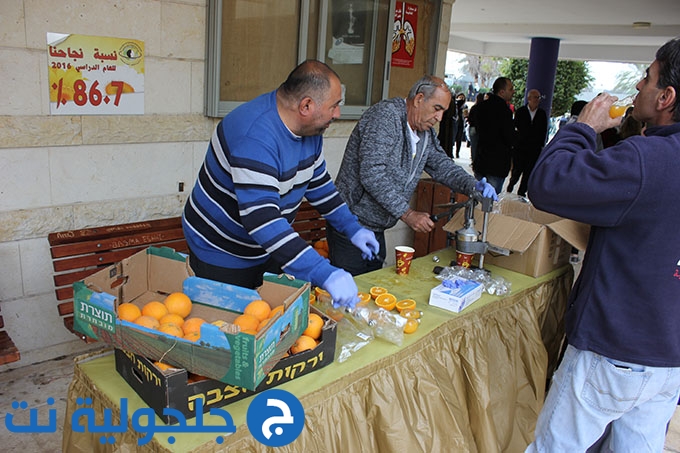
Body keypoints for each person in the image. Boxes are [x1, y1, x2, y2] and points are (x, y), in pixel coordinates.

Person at [525, 37, 680, 452]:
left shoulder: (650, 159)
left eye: (646, 79)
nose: (637, 88)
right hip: (669, 358)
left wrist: (583, 128)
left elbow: (547, 184)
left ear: (666, 97)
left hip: (613, 351)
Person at [182, 60, 379, 309]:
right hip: (220, 249)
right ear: (306, 105)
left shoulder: (310, 132)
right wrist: (325, 273)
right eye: (334, 105)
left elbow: (319, 185)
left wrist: (352, 228)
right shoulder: (253, 136)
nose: (338, 114)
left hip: (267, 246)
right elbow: (262, 220)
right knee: (232, 327)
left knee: (270, 317)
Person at [328, 75, 497, 276]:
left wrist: (473, 185)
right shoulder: (385, 117)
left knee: (370, 286)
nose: (440, 118)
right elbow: (372, 173)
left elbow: (443, 166)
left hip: (375, 226)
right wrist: (407, 214)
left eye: (443, 111)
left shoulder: (425, 133)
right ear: (418, 100)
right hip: (350, 223)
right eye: (437, 109)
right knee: (351, 290)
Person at [471, 77, 517, 194]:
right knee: (490, 202)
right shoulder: (504, 111)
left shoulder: (481, 107)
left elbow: (476, 132)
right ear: (502, 92)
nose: (513, 91)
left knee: (478, 198)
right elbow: (509, 137)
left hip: (481, 160)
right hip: (497, 164)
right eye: (511, 89)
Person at [507, 89, 548, 197]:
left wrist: (541, 145)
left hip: (534, 149)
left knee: (528, 172)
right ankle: (510, 186)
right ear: (529, 98)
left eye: (538, 98)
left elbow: (543, 131)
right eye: (535, 97)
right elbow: (515, 127)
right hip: (520, 148)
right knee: (517, 170)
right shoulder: (521, 111)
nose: (537, 100)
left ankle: (521, 192)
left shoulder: (542, 114)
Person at [466, 92, 485, 162]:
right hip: (481, 128)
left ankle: (473, 160)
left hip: (473, 127)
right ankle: (478, 161)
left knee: (473, 145)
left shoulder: (474, 108)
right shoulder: (484, 109)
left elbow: (470, 117)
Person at [453, 92, 468, 158]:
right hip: (455, 123)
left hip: (461, 124)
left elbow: (465, 115)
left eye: (462, 98)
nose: (461, 99)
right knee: (453, 138)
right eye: (460, 97)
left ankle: (457, 152)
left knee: (459, 139)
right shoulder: (455, 105)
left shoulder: (465, 106)